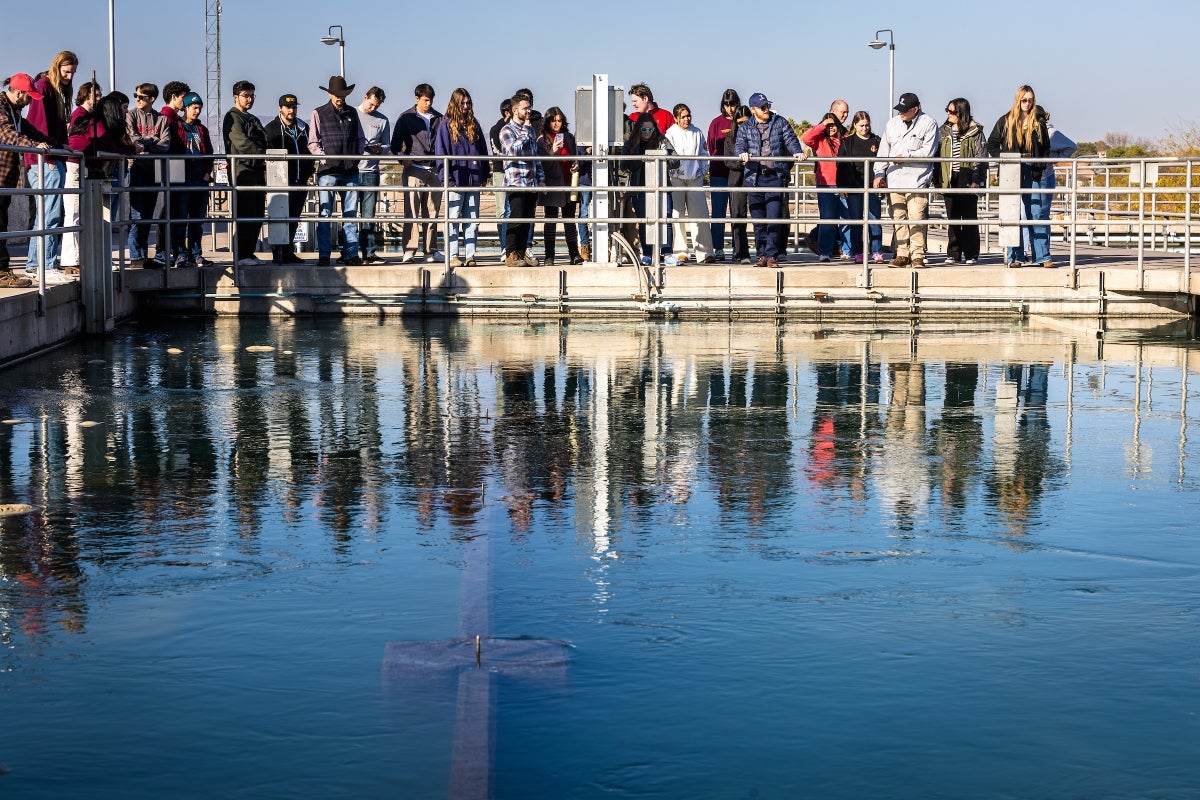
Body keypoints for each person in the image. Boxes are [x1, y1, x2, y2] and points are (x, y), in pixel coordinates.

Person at [734, 92, 806, 268]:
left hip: (774, 177)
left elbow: (790, 139)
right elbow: (739, 145)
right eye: (762, 107)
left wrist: (797, 151)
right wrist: (742, 154)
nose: (766, 110)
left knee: (774, 218)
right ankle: (762, 254)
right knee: (758, 221)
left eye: (767, 106)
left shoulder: (779, 121)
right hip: (754, 178)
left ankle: (772, 255)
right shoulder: (746, 127)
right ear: (753, 110)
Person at [23, 50, 77, 275]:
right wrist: (51, 156)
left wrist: (62, 146)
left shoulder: (58, 90)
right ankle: (43, 264)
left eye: (73, 71)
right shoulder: (45, 86)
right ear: (58, 65)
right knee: (50, 214)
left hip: (52, 156)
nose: (70, 76)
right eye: (67, 70)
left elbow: (56, 124)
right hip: (45, 160)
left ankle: (37, 264)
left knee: (46, 214)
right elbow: (38, 124)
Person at [988, 85, 1052, 268]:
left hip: (1033, 170)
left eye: (1030, 100)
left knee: (1036, 213)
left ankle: (1043, 256)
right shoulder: (1006, 120)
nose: (1027, 103)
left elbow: (1046, 146)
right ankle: (1015, 257)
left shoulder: (1039, 121)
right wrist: (1004, 159)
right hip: (1011, 171)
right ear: (1018, 100)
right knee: (1011, 214)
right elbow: (992, 143)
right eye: (1024, 100)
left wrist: (1041, 163)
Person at [873, 92, 938, 269]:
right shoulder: (892, 124)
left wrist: (906, 156)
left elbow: (928, 152)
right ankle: (902, 253)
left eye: (905, 110)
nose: (901, 113)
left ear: (915, 109)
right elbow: (883, 151)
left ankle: (917, 254)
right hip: (894, 180)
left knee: (916, 217)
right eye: (899, 109)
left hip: (916, 180)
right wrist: (879, 173)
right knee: (898, 217)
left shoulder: (929, 123)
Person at [0, 74, 51, 288]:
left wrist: (56, 144)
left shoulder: (16, 112)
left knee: (1, 221)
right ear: (19, 93)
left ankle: (2, 271)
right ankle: (2, 272)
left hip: (5, 178)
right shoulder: (1, 109)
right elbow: (6, 133)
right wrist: (32, 145)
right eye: (29, 97)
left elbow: (31, 131)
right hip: (1, 178)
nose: (30, 102)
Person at [308, 75, 364, 267]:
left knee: (350, 215)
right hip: (328, 172)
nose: (339, 97)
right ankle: (324, 255)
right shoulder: (318, 113)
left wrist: (356, 157)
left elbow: (360, 139)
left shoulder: (352, 113)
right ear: (330, 94)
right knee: (324, 214)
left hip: (350, 171)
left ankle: (350, 254)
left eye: (342, 94)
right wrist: (325, 158)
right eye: (336, 94)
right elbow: (313, 142)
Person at [432, 87, 489, 267]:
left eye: (468, 103)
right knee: (453, 218)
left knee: (472, 219)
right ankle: (453, 254)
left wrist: (484, 172)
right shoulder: (445, 126)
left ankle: (471, 255)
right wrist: (447, 180)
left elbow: (483, 152)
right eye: (462, 103)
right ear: (455, 104)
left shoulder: (475, 124)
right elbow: (441, 153)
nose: (465, 106)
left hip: (473, 179)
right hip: (455, 180)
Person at [392, 83, 443, 263]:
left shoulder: (439, 118)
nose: (428, 103)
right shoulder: (405, 118)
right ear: (417, 98)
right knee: (411, 212)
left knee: (432, 213)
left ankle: (430, 250)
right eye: (425, 100)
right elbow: (395, 144)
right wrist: (402, 159)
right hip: (414, 170)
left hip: (434, 171)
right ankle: (410, 250)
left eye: (431, 100)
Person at [264, 93, 314, 264]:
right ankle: (278, 252)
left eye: (294, 107)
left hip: (301, 180)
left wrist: (309, 171)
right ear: (280, 108)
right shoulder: (271, 129)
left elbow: (310, 151)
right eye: (288, 107)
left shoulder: (303, 128)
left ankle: (288, 251)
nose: (291, 110)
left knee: (293, 217)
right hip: (281, 182)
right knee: (280, 218)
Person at [223, 80, 268, 266]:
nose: (249, 99)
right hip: (243, 172)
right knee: (246, 213)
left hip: (257, 172)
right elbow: (241, 143)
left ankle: (248, 252)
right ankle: (242, 255)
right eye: (245, 96)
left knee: (257, 213)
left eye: (251, 96)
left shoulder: (251, 118)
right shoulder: (232, 117)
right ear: (236, 97)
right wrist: (263, 154)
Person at [937, 98, 988, 265]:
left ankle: (971, 253)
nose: (948, 114)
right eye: (947, 110)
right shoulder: (943, 131)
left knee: (968, 218)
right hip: (949, 179)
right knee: (952, 218)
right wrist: (938, 180)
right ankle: (953, 252)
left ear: (961, 113)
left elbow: (981, 158)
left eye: (951, 112)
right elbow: (937, 155)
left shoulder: (976, 132)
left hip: (967, 178)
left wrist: (976, 179)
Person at [622, 112, 676, 265]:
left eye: (650, 130)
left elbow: (676, 161)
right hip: (640, 188)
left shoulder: (662, 140)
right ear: (638, 129)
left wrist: (663, 156)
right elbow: (624, 165)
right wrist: (643, 159)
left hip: (661, 186)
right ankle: (647, 254)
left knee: (666, 218)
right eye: (644, 130)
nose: (647, 133)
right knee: (645, 222)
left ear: (654, 129)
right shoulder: (630, 144)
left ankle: (667, 253)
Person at [125, 83, 170, 266]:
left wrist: (147, 143)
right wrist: (154, 141)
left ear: (151, 99)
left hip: (154, 169)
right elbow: (132, 139)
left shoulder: (162, 119)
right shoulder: (131, 115)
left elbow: (166, 144)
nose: (137, 99)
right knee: (136, 215)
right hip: (136, 167)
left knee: (148, 215)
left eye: (141, 96)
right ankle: (136, 256)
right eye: (135, 95)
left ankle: (143, 255)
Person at [59, 80, 101, 273]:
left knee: (78, 214)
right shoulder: (79, 115)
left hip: (81, 167)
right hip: (75, 166)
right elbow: (78, 142)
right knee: (73, 213)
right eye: (96, 95)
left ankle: (77, 258)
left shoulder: (88, 115)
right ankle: (70, 260)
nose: (99, 99)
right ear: (86, 95)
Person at [664, 103, 714, 263]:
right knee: (677, 214)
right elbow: (667, 154)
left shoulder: (697, 132)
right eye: (683, 116)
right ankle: (681, 251)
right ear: (676, 118)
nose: (687, 119)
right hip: (676, 178)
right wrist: (672, 172)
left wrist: (701, 171)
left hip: (695, 178)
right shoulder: (670, 133)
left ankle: (705, 252)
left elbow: (705, 153)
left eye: (688, 115)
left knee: (700, 214)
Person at [167, 92, 213, 268]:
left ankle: (196, 253)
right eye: (194, 107)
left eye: (199, 107)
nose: (197, 110)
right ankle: (180, 253)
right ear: (185, 108)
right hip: (181, 179)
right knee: (180, 219)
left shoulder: (202, 129)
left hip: (199, 179)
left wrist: (207, 172)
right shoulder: (177, 127)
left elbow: (208, 152)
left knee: (197, 221)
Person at [802, 100, 851, 262]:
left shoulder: (845, 137)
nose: (832, 127)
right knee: (827, 220)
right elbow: (806, 138)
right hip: (826, 185)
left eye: (846, 113)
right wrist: (823, 125)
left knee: (847, 221)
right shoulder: (820, 139)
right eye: (842, 112)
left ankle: (847, 251)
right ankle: (824, 252)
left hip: (844, 184)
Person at [498, 92, 544, 267]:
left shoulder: (531, 130)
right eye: (525, 108)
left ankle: (522, 252)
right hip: (516, 181)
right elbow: (514, 151)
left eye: (529, 107)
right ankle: (510, 253)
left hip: (531, 182)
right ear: (515, 110)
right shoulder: (506, 131)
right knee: (516, 217)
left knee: (527, 218)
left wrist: (541, 178)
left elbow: (535, 156)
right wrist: (525, 128)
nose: (528, 111)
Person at [836, 111, 883, 264]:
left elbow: (883, 162)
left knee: (874, 220)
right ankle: (858, 252)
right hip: (854, 187)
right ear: (855, 125)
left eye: (867, 125)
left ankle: (877, 252)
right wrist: (841, 186)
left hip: (872, 187)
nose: (865, 128)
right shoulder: (847, 142)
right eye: (861, 125)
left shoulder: (877, 141)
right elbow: (840, 165)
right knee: (856, 221)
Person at [537, 107, 582, 266]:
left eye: (559, 120)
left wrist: (576, 163)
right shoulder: (542, 139)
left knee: (569, 220)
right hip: (551, 184)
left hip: (568, 182)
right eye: (553, 120)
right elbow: (542, 165)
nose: (556, 124)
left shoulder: (569, 137)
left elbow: (576, 156)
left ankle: (574, 255)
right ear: (547, 121)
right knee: (550, 221)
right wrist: (553, 152)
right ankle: (549, 256)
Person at [153, 81, 190, 265]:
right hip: (170, 166)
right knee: (169, 209)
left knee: (176, 210)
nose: (186, 101)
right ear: (174, 97)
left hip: (177, 166)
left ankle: (176, 250)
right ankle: (163, 249)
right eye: (183, 96)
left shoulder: (176, 118)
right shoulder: (166, 117)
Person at [356, 87, 390, 264]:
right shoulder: (351, 114)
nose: (373, 109)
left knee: (368, 216)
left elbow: (387, 145)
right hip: (352, 171)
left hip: (371, 172)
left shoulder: (383, 120)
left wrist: (379, 149)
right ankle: (350, 253)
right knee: (350, 216)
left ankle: (369, 253)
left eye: (376, 106)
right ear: (365, 97)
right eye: (371, 104)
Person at [706, 89, 740, 260]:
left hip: (737, 174)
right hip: (719, 173)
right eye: (727, 105)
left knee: (737, 212)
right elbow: (711, 147)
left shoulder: (742, 121)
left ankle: (738, 249)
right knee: (718, 213)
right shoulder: (716, 123)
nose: (730, 108)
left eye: (733, 104)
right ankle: (717, 248)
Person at [721, 104, 751, 264]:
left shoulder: (756, 135)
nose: (743, 125)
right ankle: (740, 252)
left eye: (746, 122)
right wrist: (744, 162)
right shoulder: (730, 138)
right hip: (737, 180)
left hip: (754, 179)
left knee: (760, 215)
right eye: (740, 122)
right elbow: (728, 161)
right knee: (737, 216)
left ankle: (763, 252)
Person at [488, 98, 512, 248]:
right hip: (500, 172)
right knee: (502, 209)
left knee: (512, 210)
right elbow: (496, 151)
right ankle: (504, 246)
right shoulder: (496, 129)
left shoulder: (517, 128)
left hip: (513, 173)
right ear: (507, 112)